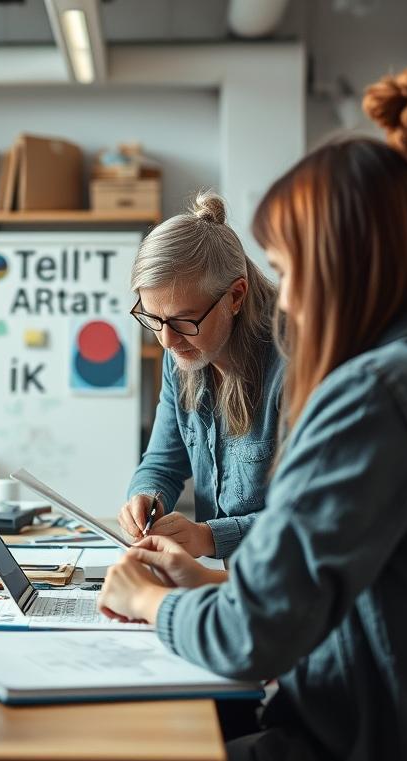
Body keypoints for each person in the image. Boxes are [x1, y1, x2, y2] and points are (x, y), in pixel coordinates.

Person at [98, 64, 407, 761]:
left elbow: (249, 640)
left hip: (377, 741)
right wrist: (219, 587)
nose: (285, 301)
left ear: (346, 265)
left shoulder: (378, 394)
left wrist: (148, 602)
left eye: (289, 273)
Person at [118, 191, 283, 562]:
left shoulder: (296, 363)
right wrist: (146, 495)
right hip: (224, 579)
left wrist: (209, 537)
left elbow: (314, 514)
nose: (166, 340)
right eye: (153, 318)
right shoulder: (183, 350)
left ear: (235, 296)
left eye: (183, 320)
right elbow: (162, 462)